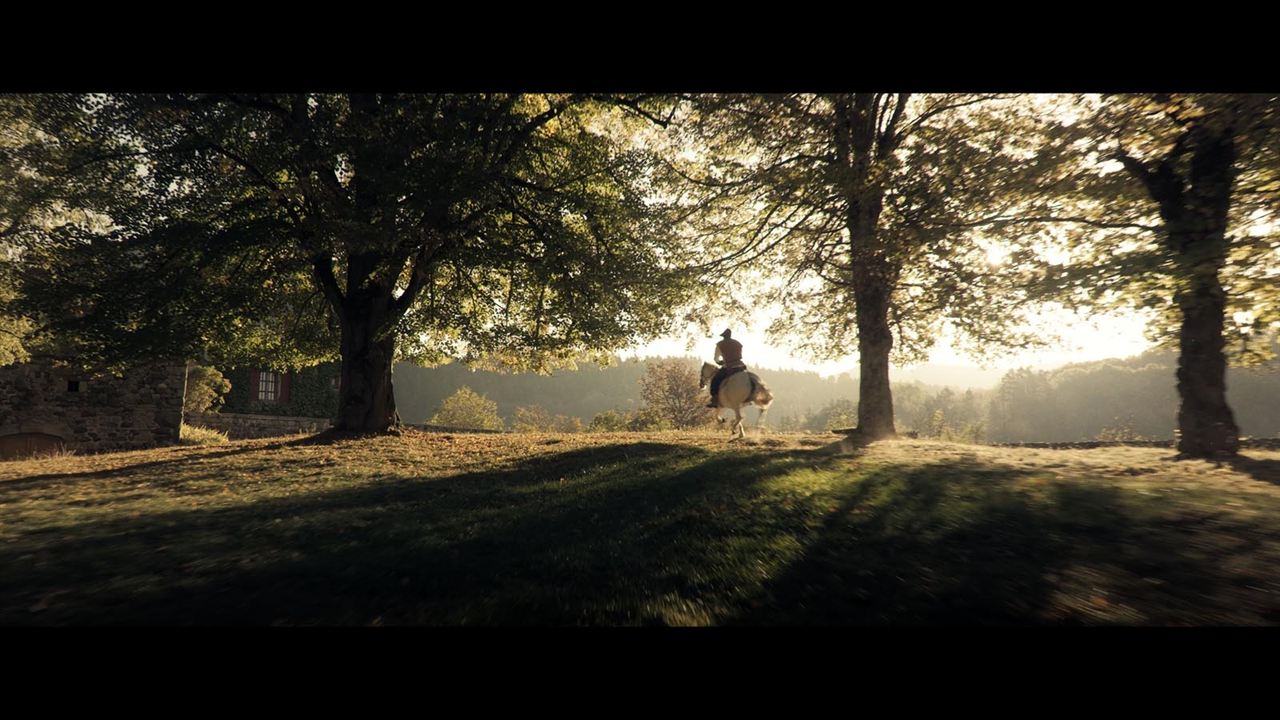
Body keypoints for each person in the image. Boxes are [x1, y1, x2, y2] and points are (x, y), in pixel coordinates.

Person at [708, 329, 746, 408]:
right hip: (740, 366)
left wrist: (719, 362)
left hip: (728, 366)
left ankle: (715, 399)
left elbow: (716, 358)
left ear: (723, 336)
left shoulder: (720, 344)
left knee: (715, 380)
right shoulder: (737, 343)